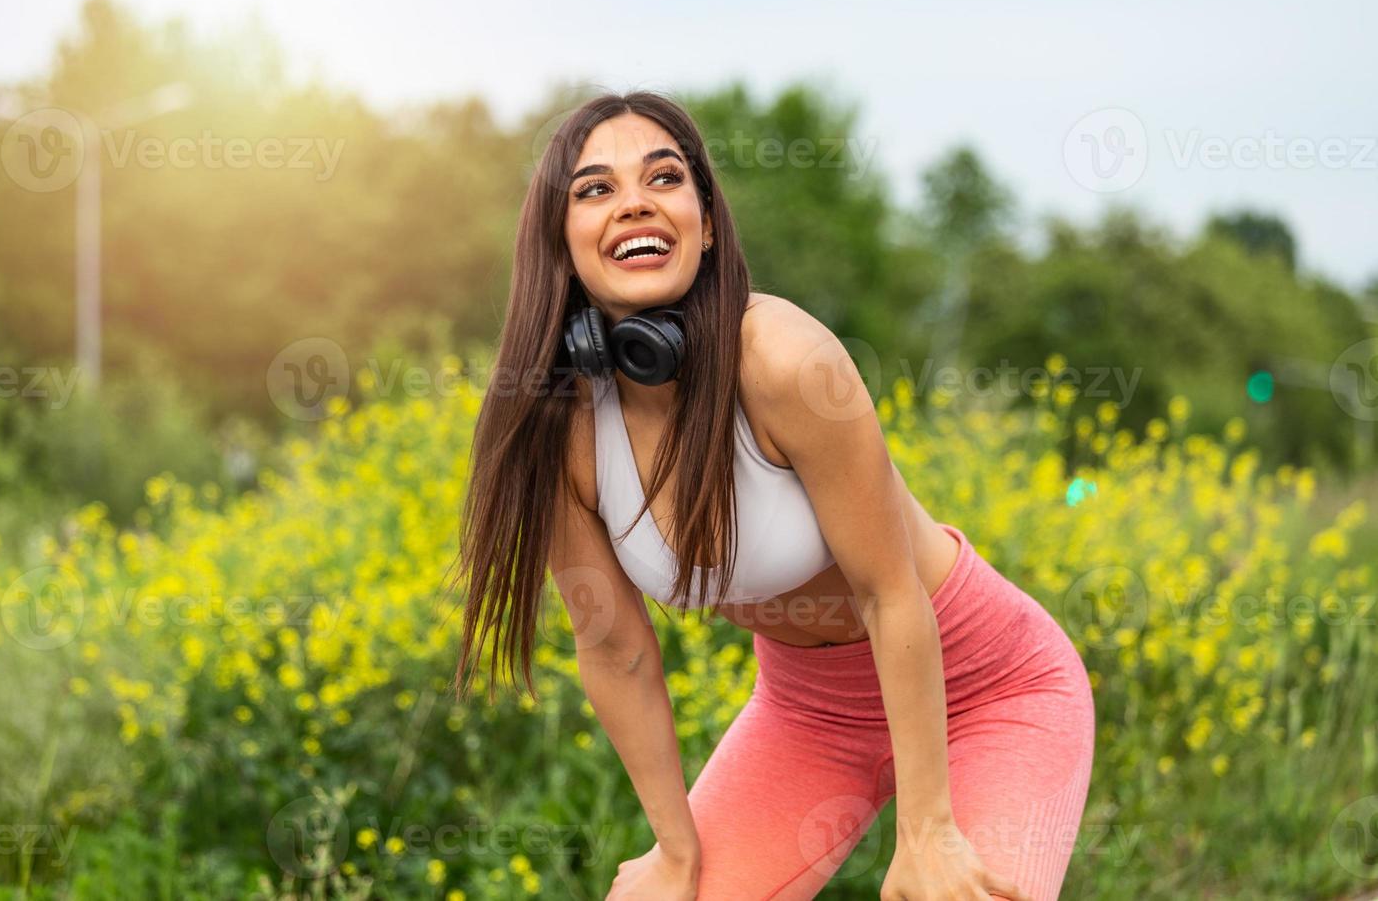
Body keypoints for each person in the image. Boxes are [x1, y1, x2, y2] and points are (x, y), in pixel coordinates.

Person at [449, 90, 1095, 900]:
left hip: (987, 685)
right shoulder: (562, 431)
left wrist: (928, 833)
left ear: (708, 224)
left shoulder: (787, 362)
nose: (634, 203)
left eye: (664, 178)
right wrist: (673, 847)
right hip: (808, 713)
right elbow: (614, 649)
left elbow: (889, 593)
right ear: (560, 238)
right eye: (595, 189)